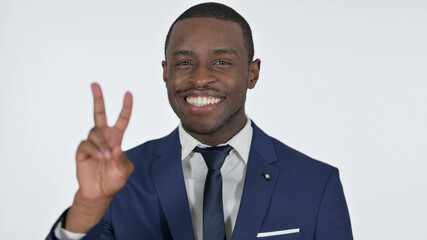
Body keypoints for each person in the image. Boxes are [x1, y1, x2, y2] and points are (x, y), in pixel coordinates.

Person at [47, 2, 353, 240]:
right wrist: (87, 207)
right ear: (165, 73)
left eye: (221, 62)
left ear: (252, 73)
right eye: (184, 62)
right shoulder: (119, 180)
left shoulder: (316, 184)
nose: (201, 77)